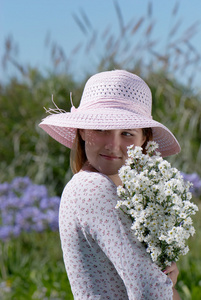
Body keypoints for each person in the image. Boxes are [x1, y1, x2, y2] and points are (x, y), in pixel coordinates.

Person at [39, 70, 181, 299]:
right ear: (82, 131)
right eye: (101, 129)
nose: (113, 145)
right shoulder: (93, 189)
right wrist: (168, 288)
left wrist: (162, 274)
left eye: (127, 133)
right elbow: (151, 292)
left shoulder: (111, 190)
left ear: (144, 139)